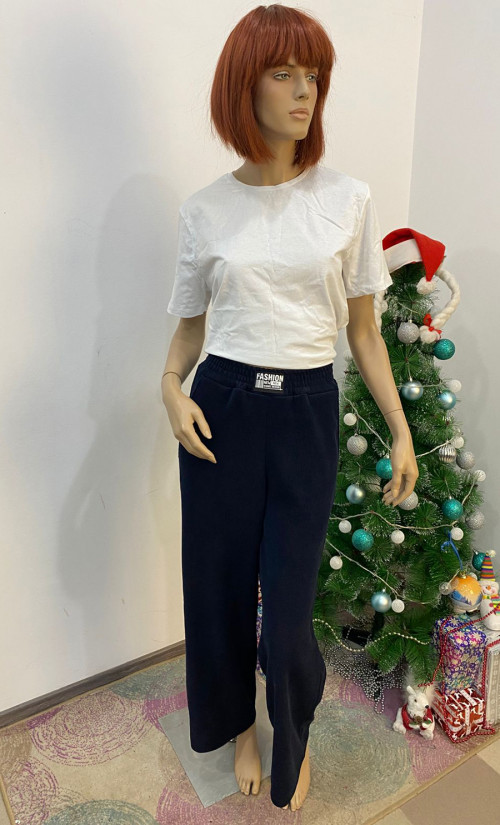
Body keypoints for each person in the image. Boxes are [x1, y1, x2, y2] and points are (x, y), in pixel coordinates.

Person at [161, 3, 418, 812]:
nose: (305, 91)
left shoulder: (347, 199)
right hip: (221, 408)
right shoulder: (206, 210)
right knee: (217, 588)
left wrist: (401, 429)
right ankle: (240, 726)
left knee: (289, 609)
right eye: (284, 74)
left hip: (306, 410)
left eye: (314, 75)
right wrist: (169, 388)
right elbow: (189, 332)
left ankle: (292, 734)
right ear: (246, 86)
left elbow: (364, 331)